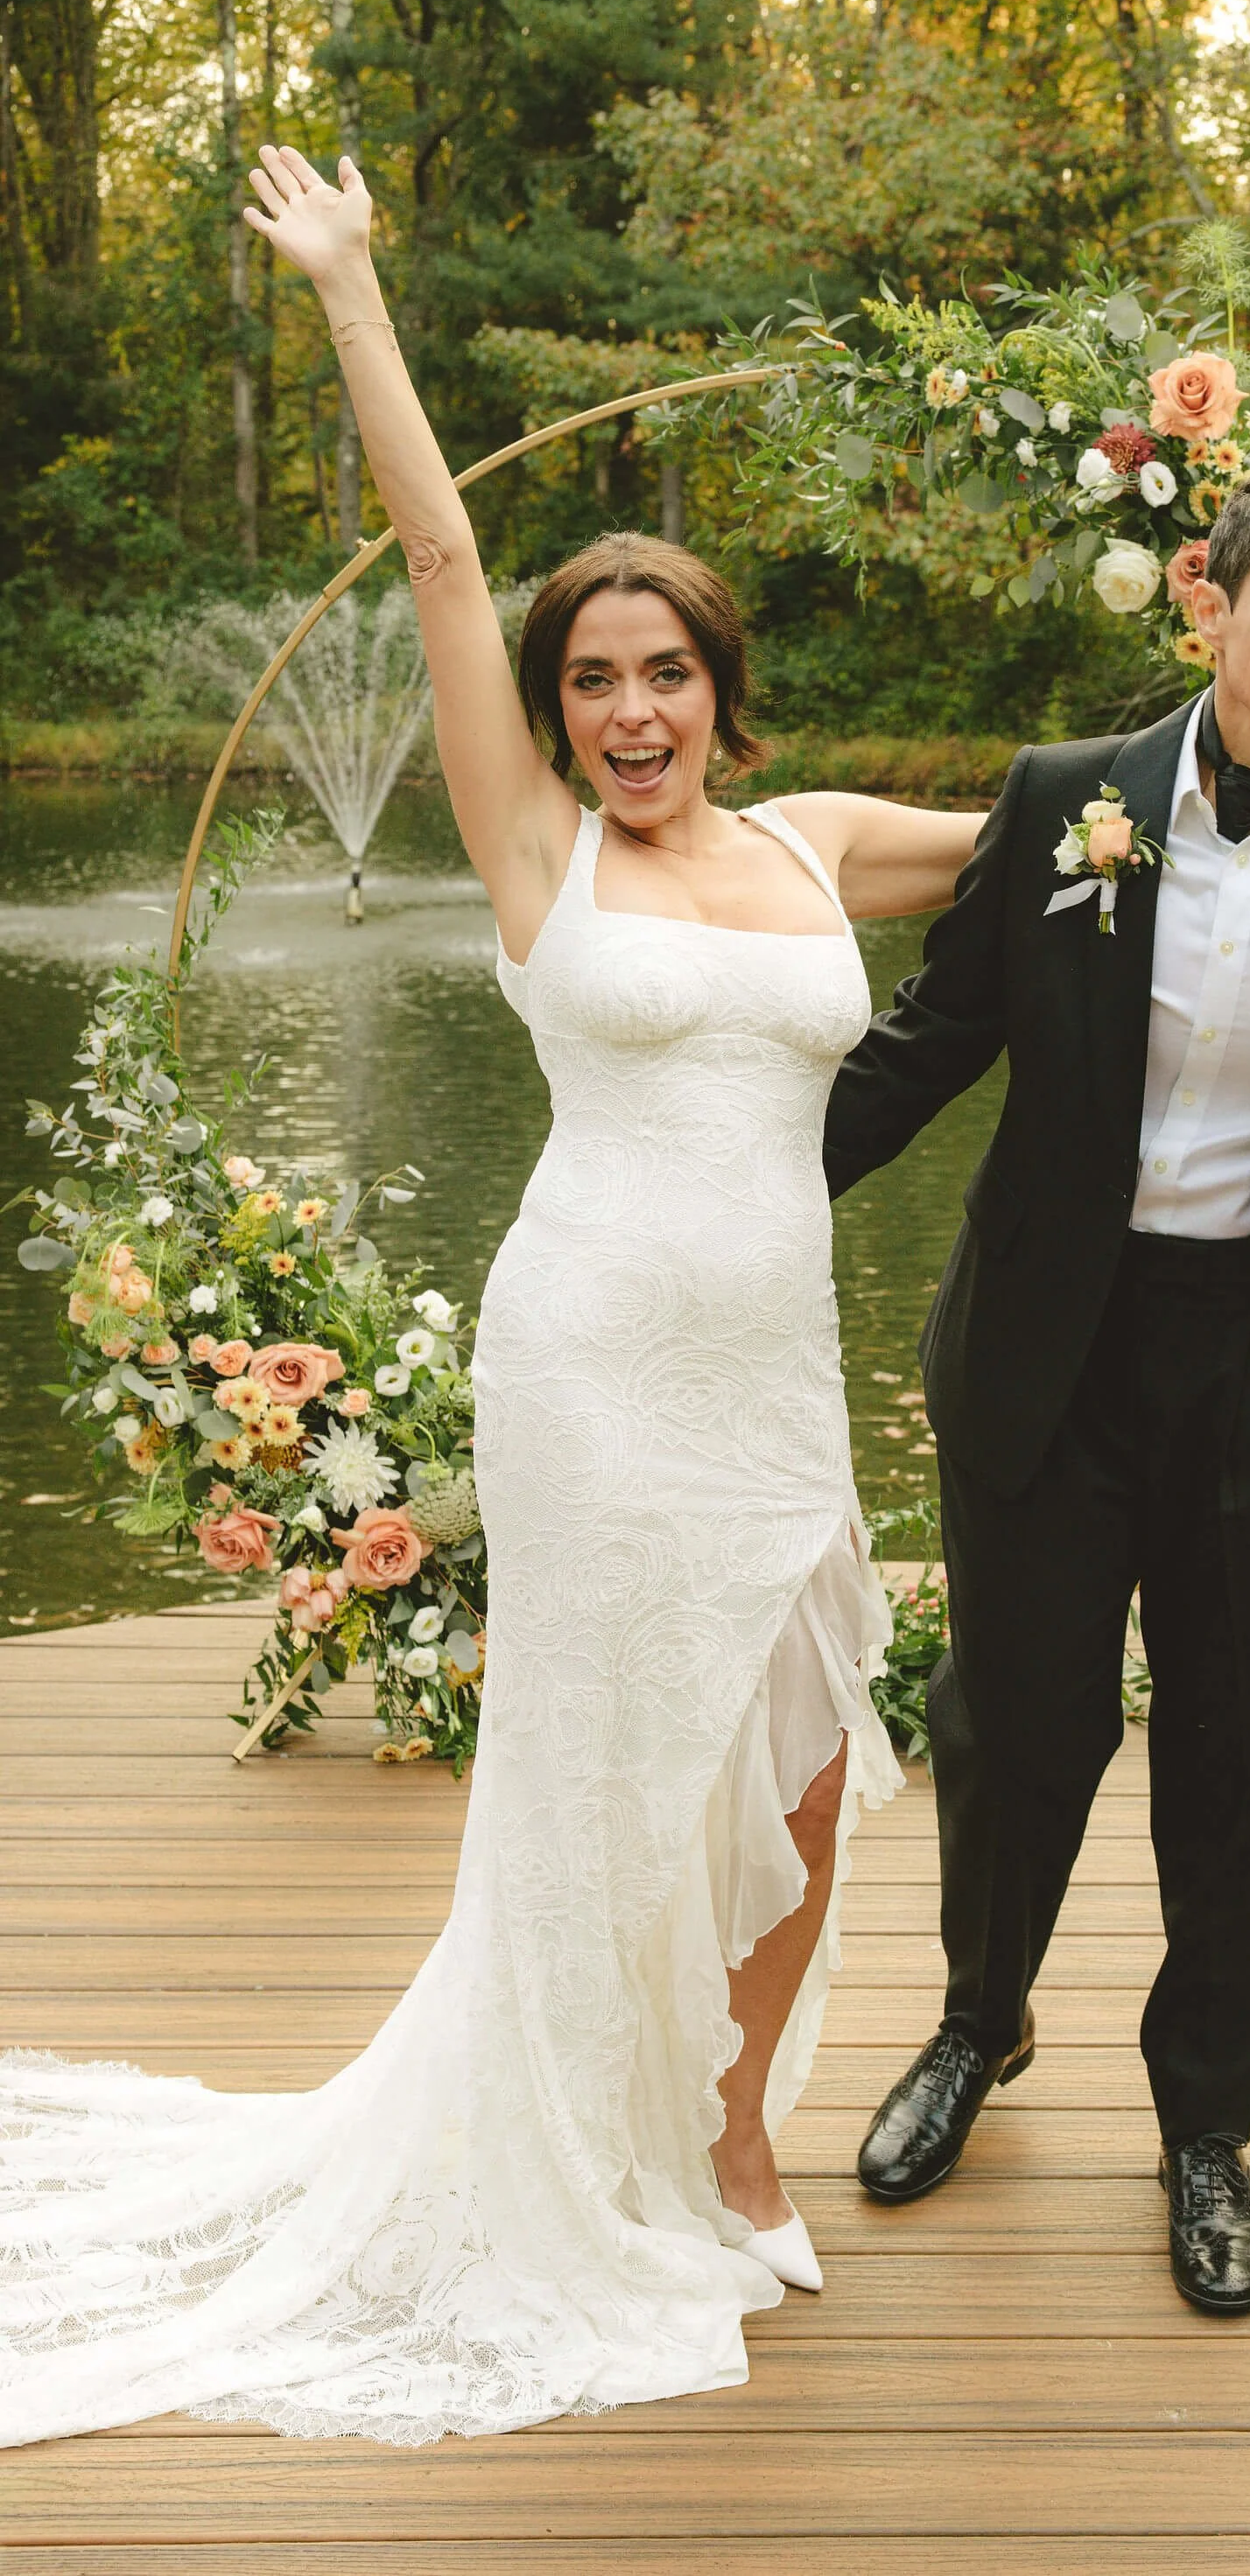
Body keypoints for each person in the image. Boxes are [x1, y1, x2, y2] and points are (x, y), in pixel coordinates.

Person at [0, 147, 985, 2447]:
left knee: (811, 1753)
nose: (630, 708)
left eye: (666, 672)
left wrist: (1248, 689)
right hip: (596, 1369)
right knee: (600, 1772)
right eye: (592, 678)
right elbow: (439, 545)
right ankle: (577, 2160)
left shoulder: (816, 840)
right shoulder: (541, 849)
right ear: (555, 709)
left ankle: (734, 2137)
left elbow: (1064, 824)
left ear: (726, 693)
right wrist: (354, 281)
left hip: (774, 1380)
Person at [825, 442, 1250, 2316]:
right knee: (1015, 1721)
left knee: (1247, 1756)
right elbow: (930, 1036)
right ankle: (979, 2023)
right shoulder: (1069, 805)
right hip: (1054, 1345)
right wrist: (726, 1193)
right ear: (1212, 605)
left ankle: (1205, 2125)